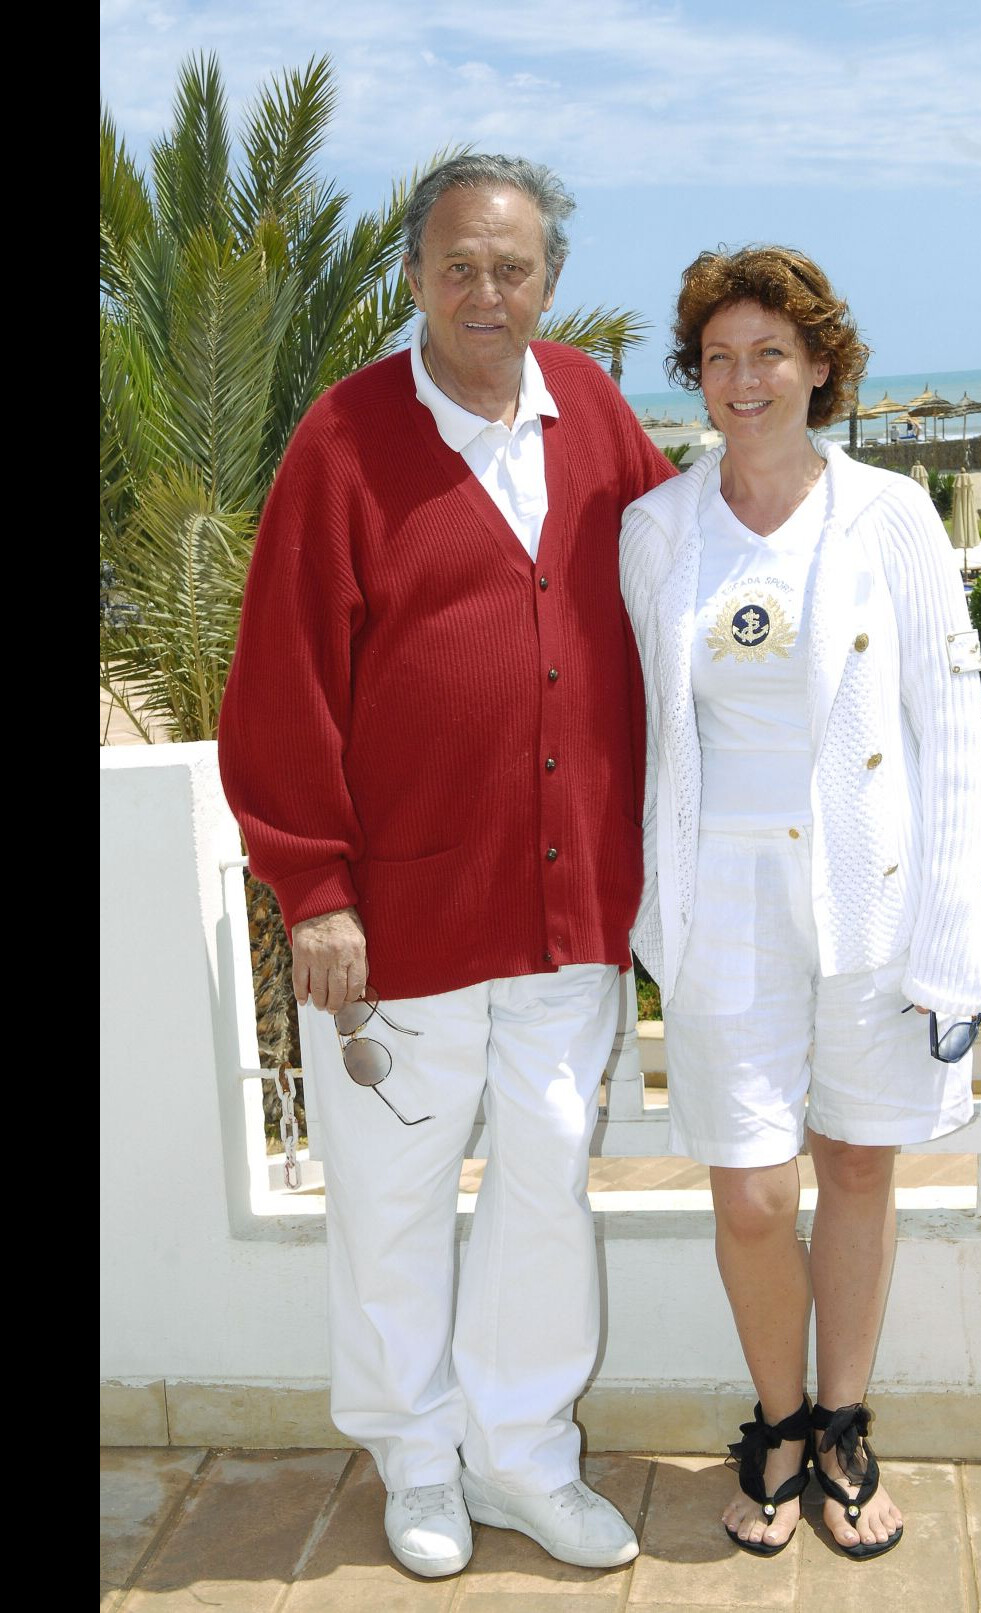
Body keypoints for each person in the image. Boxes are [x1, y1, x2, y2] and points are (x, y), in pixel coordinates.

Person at [219, 153, 675, 1580]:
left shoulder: (593, 411)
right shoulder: (345, 441)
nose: (488, 291)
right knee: (394, 1204)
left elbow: (678, 577)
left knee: (545, 1188)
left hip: (565, 910)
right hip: (399, 916)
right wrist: (316, 885)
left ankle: (524, 1455)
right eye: (459, 265)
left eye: (516, 268)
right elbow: (282, 680)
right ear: (414, 277)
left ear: (551, 282)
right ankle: (418, 1457)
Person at [619, 247, 981, 1562]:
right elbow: (642, 733)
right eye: (720, 357)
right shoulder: (659, 530)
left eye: (770, 353)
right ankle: (772, 1423)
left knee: (856, 1164)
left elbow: (950, 727)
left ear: (820, 365)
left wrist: (960, 921)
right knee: (748, 1194)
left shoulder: (891, 515)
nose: (744, 379)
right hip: (724, 900)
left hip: (870, 893)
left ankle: (841, 1426)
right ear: (697, 375)